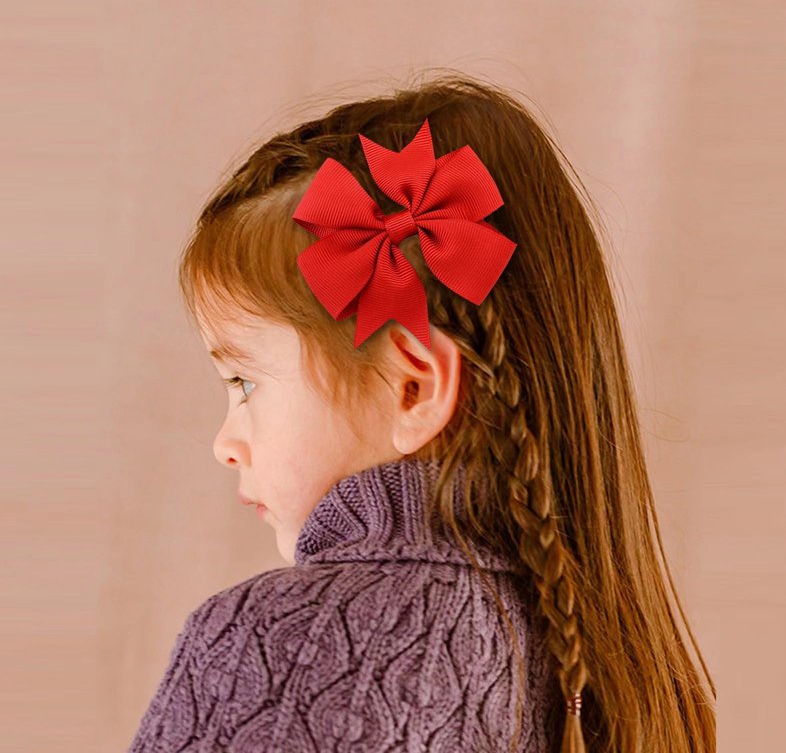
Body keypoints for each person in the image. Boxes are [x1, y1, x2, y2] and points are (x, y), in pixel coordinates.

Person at [126, 73, 716, 752]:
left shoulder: (275, 643)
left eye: (244, 382)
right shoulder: (603, 673)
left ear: (414, 388)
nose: (225, 443)